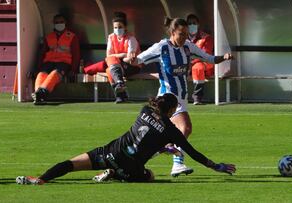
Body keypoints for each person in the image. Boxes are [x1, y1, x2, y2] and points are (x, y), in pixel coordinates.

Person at [16, 93, 236, 185]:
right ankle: (116, 174)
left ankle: (41, 179)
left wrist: (164, 148)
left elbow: (147, 136)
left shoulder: (144, 110)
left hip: (110, 152)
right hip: (131, 166)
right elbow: (194, 153)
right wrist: (217, 166)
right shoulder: (172, 131)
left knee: (72, 164)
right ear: (171, 111)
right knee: (149, 176)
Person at [123, 17, 234, 177]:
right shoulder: (161, 47)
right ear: (172, 32)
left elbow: (208, 58)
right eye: (181, 34)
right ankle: (176, 163)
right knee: (185, 128)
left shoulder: (188, 47)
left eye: (186, 34)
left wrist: (223, 57)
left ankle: (133, 161)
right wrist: (131, 59)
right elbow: (137, 60)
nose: (184, 38)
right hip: (167, 100)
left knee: (158, 137)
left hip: (181, 99)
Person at [84, 11, 141, 103]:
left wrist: (120, 57)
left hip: (132, 65)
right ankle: (120, 90)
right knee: (109, 67)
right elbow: (108, 55)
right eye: (115, 27)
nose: (117, 29)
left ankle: (120, 91)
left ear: (125, 27)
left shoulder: (131, 39)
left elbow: (130, 58)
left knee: (110, 67)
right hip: (118, 64)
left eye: (120, 27)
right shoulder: (111, 37)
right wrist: (122, 55)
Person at [31, 14, 80, 105]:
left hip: (64, 62)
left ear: (66, 23)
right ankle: (38, 93)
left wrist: (73, 69)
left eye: (61, 22)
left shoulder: (72, 36)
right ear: (53, 24)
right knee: (41, 74)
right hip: (48, 61)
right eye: (57, 22)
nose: (59, 24)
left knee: (54, 74)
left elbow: (76, 54)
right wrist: (38, 68)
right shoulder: (49, 37)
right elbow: (42, 53)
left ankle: (41, 93)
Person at [187, 14, 214, 105]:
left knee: (197, 68)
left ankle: (197, 97)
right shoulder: (182, 37)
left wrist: (190, 63)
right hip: (187, 63)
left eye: (194, 23)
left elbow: (205, 55)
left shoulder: (206, 37)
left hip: (205, 62)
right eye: (189, 23)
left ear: (198, 24)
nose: (192, 25)